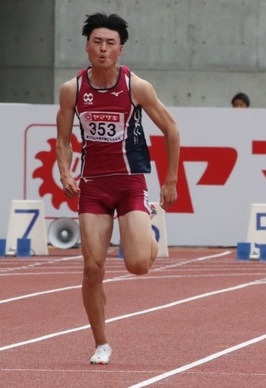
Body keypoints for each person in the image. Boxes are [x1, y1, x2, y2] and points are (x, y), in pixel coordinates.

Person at [55, 13, 180, 365]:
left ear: (120, 49)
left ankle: (146, 227)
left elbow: (172, 129)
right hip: (93, 186)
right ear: (87, 46)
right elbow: (62, 140)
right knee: (92, 267)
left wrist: (170, 181)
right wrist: (66, 172)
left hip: (130, 183)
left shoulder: (137, 87)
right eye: (97, 42)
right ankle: (101, 342)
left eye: (110, 43)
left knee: (138, 265)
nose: (103, 49)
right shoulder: (73, 90)